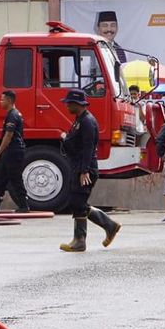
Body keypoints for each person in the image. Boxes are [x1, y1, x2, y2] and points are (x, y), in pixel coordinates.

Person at [59, 88, 122, 252]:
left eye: (69, 103)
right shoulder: (80, 120)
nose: (66, 106)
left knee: (77, 202)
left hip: (84, 168)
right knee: (77, 202)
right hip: (79, 166)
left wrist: (84, 170)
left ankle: (81, 240)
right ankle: (109, 226)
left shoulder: (87, 122)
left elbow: (88, 148)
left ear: (76, 104)